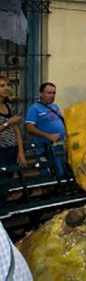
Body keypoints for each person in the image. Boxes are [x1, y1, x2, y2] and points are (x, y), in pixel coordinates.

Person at [24, 82, 66, 177]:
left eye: (54, 93)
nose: (52, 95)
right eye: (49, 93)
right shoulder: (34, 109)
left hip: (58, 146)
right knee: (49, 172)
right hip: (44, 148)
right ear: (41, 94)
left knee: (61, 171)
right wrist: (48, 135)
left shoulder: (54, 107)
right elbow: (29, 128)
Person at [0, 76, 25, 204]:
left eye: (8, 85)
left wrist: (20, 151)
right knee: (2, 181)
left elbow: (16, 130)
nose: (7, 88)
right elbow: (10, 123)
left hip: (11, 149)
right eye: (2, 86)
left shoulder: (9, 106)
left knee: (7, 181)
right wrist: (8, 122)